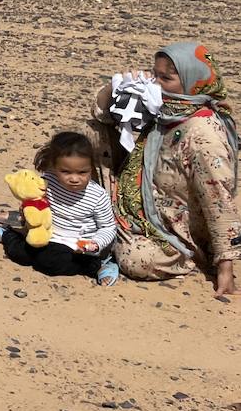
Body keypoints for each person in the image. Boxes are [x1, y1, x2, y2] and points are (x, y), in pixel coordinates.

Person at [87, 42, 240, 299]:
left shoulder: (203, 135)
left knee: (137, 260)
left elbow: (218, 200)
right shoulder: (164, 109)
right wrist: (116, 86)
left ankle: (111, 233)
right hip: (140, 193)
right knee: (91, 133)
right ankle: (104, 221)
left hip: (172, 226)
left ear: (194, 83)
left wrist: (226, 266)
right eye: (154, 74)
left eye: (165, 78)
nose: (155, 83)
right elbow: (101, 115)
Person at [0, 131, 117, 283]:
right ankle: (7, 233)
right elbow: (35, 199)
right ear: (54, 167)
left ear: (91, 167)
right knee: (20, 253)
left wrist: (96, 243)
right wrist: (27, 208)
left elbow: (108, 227)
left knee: (52, 262)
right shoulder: (49, 181)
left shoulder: (97, 195)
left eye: (82, 172)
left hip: (79, 246)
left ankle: (101, 265)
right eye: (65, 172)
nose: (74, 179)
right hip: (47, 236)